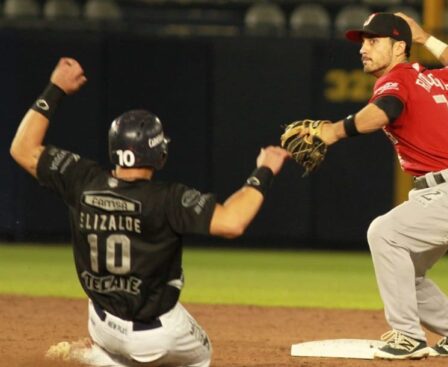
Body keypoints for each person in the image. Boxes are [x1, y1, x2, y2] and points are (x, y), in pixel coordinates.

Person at [10, 57, 289, 367]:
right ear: (158, 153)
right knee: (201, 355)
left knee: (119, 337)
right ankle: (103, 361)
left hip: (100, 322)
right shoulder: (167, 199)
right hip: (157, 335)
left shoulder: (82, 179)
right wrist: (264, 171)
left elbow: (22, 148)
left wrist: (56, 88)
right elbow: (233, 222)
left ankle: (101, 356)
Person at [306, 12, 448, 359]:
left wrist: (333, 131)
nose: (364, 49)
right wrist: (426, 38)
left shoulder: (398, 79)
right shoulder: (438, 79)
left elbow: (386, 109)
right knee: (409, 273)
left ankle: (408, 336)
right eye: (362, 42)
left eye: (373, 41)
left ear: (398, 47)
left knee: (383, 233)